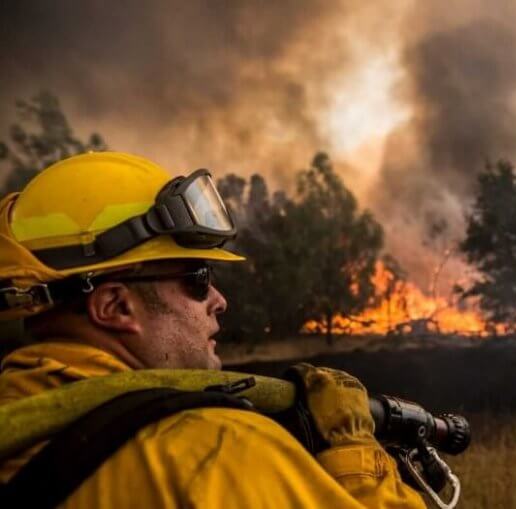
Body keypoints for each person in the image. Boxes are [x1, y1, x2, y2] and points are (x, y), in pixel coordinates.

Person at [0, 152, 426, 508]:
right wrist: (356, 456)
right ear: (114, 306)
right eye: (198, 278)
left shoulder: (15, 419)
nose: (219, 300)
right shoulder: (214, 450)